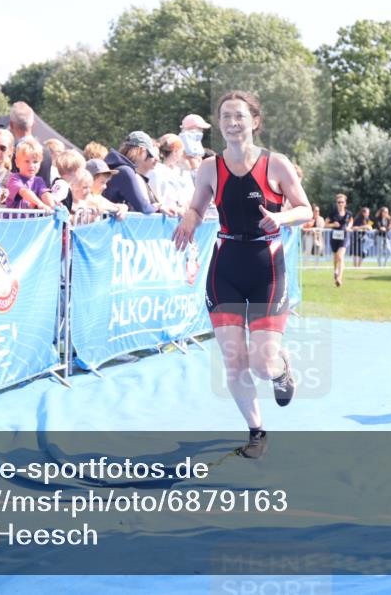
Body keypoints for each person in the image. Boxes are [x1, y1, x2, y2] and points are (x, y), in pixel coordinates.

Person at [172, 91, 310, 459]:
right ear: (219, 125)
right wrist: (189, 217)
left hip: (267, 265)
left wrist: (281, 217)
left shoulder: (275, 164)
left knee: (263, 363)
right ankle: (256, 432)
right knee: (234, 360)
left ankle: (281, 371)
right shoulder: (208, 168)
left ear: (254, 122)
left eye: (239, 116)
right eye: (226, 117)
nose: (232, 123)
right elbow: (198, 207)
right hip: (226, 266)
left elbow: (306, 210)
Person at [5, 138, 55, 211]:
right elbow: (24, 192)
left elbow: (45, 193)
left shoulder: (38, 181)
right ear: (17, 162)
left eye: (35, 162)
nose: (31, 165)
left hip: (31, 221)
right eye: (27, 161)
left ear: (40, 163)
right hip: (13, 221)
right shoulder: (14, 178)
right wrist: (40, 204)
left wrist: (53, 206)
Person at [149, 133, 195, 212]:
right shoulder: (157, 171)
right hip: (168, 214)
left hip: (177, 213)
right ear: (175, 151)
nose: (182, 154)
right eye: (182, 151)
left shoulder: (183, 172)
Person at [326, 193, 352, 287]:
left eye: (342, 202)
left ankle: (339, 278)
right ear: (336, 203)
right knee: (336, 256)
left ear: (345, 203)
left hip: (344, 236)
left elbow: (351, 221)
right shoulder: (333, 213)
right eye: (339, 202)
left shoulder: (348, 213)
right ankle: (335, 270)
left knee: (340, 256)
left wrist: (349, 227)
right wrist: (333, 225)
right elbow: (326, 224)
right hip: (335, 237)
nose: (340, 204)